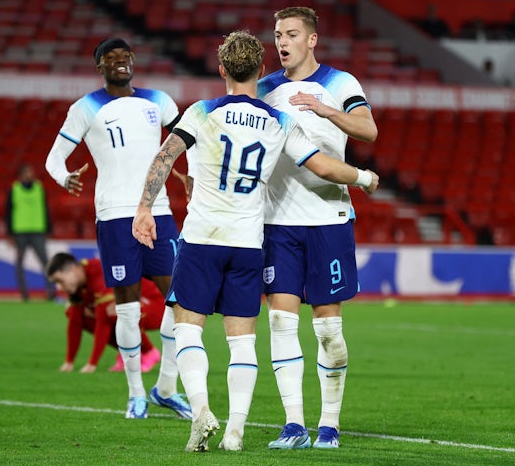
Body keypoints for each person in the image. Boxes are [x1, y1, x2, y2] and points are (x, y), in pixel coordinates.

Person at [132, 30, 378, 452]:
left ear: (222, 69)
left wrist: (144, 209)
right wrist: (365, 177)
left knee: (188, 327)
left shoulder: (201, 111)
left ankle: (202, 410)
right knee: (242, 339)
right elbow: (322, 166)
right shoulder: (279, 121)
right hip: (249, 240)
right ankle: (236, 431)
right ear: (262, 70)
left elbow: (164, 157)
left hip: (204, 235)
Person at [45, 37, 191, 420]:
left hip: (158, 212)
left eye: (125, 57)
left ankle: (166, 388)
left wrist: (193, 175)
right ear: (100, 67)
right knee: (126, 311)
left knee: (178, 301)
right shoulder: (85, 108)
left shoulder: (160, 101)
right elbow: (53, 158)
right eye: (111, 59)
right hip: (114, 216)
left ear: (134, 61)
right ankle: (136, 394)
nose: (120, 63)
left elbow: (187, 143)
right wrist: (64, 178)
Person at [257, 7, 379, 450]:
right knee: (280, 322)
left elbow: (368, 130)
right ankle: (294, 424)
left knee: (328, 330)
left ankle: (329, 424)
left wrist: (322, 109)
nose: (282, 42)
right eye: (277, 35)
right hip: (278, 223)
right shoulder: (264, 88)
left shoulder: (340, 83)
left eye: (291, 34)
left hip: (328, 219)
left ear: (312, 40)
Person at [46, 252, 162, 374]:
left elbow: (103, 321)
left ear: (73, 269)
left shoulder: (97, 272)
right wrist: (69, 362)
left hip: (156, 305)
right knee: (73, 311)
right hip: (136, 305)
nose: (59, 287)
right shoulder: (77, 285)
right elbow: (75, 322)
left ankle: (148, 352)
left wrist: (92, 364)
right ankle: (128, 353)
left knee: (114, 311)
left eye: (60, 281)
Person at [5, 162, 54, 302]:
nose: (30, 174)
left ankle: (50, 292)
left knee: (46, 263)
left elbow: (45, 208)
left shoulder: (39, 188)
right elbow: (8, 212)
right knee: (19, 264)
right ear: (20, 175)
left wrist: (48, 228)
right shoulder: (14, 189)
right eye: (27, 172)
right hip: (20, 232)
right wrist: (10, 233)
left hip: (38, 231)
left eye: (31, 172)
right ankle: (24, 294)